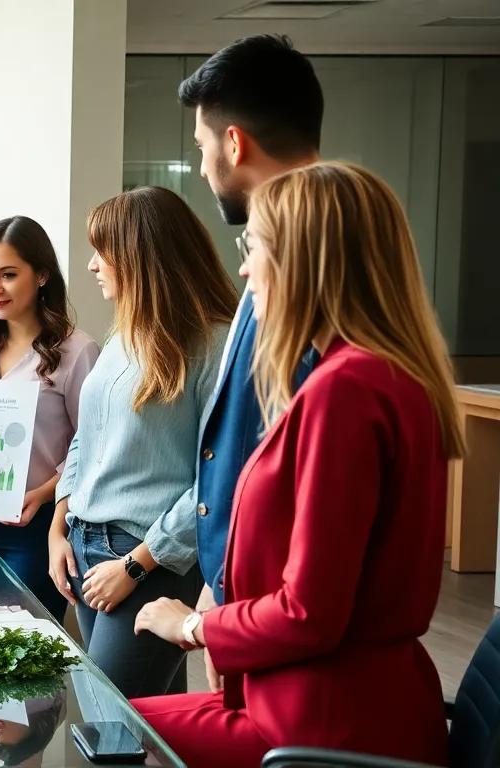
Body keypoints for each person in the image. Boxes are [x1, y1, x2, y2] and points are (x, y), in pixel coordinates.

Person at [132, 162, 459, 768]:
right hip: (323, 700)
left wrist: (194, 628)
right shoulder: (387, 375)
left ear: (302, 259)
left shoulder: (347, 388)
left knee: (102, 733)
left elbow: (309, 613)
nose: (243, 267)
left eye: (251, 246)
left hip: (320, 722)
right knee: (108, 719)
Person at [46, 186, 237, 698]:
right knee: (147, 729)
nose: (91, 265)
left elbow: (216, 483)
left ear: (139, 256)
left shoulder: (215, 346)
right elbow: (86, 439)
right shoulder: (122, 335)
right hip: (86, 548)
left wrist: (136, 565)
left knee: (110, 719)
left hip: (148, 559)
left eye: (102, 251)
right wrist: (59, 527)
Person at [178, 34, 323, 692]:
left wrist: (223, 613)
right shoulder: (272, 254)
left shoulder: (312, 270)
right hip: (241, 601)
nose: (205, 169)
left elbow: (293, 449)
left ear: (233, 145)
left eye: (204, 150)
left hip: (276, 619)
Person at [0, 216, 99, 622]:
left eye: (8, 275)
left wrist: (44, 494)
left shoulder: (76, 352)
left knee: (28, 644)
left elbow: (92, 446)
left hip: (38, 526)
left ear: (42, 275)